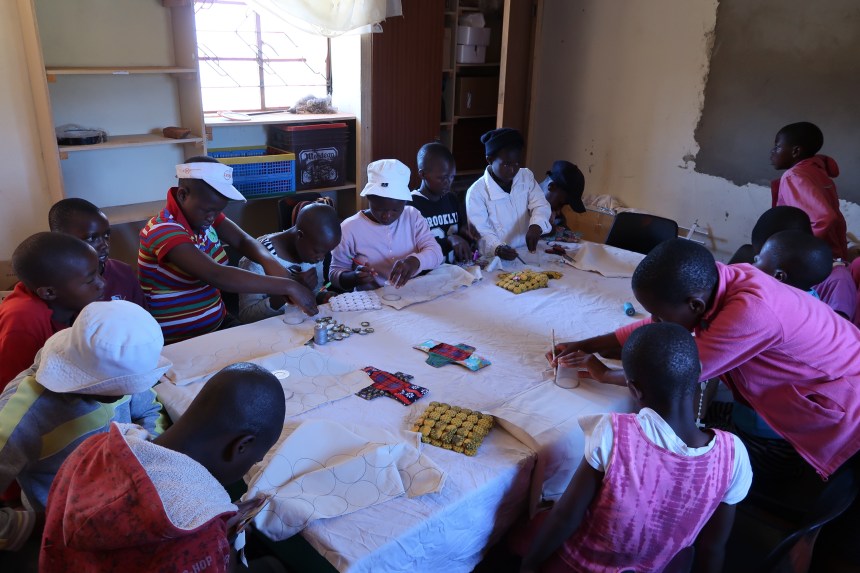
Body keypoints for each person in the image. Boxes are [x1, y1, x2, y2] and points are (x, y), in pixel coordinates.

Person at [550, 239, 860, 528]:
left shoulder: (751, 313)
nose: (654, 319)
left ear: (696, 305)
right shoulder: (722, 281)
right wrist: (586, 344)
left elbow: (674, 371)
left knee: (840, 499)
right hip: (832, 387)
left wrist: (603, 374)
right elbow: (655, 328)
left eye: (659, 313)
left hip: (846, 408)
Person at [520, 323, 750, 573]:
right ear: (699, 373)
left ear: (633, 389)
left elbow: (566, 516)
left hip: (581, 565)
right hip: (656, 566)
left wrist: (529, 566)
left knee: (528, 523)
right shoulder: (734, 453)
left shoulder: (615, 432)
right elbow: (713, 547)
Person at [40, 362, 286, 573]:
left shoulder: (91, 450)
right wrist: (224, 546)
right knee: (273, 566)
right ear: (241, 446)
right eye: (255, 460)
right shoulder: (197, 537)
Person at [0, 301, 170, 552]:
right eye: (119, 389)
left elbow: (149, 409)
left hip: (128, 501)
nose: (129, 392)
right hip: (64, 531)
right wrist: (40, 525)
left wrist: (148, 449)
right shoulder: (19, 416)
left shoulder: (119, 359)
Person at [138, 156, 317, 343]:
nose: (213, 217)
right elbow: (217, 275)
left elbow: (242, 240)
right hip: (177, 340)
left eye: (218, 210)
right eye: (209, 211)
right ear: (183, 195)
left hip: (217, 323)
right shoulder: (162, 230)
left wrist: (270, 262)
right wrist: (288, 285)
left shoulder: (204, 213)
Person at [0, 233, 104, 389]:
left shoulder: (70, 301)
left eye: (99, 272)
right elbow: (12, 392)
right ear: (48, 292)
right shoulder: (23, 322)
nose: (102, 283)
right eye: (90, 280)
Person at [330, 159, 443, 291]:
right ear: (369, 198)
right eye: (379, 209)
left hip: (412, 295)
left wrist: (415, 261)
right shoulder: (349, 229)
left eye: (395, 210)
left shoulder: (412, 216)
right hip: (372, 302)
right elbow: (334, 275)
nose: (387, 216)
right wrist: (353, 277)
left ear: (405, 202)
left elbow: (436, 253)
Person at [736, 206, 856, 319]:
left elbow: (837, 328)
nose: (753, 261)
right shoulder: (781, 276)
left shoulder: (839, 281)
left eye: (759, 258)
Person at [237, 202, 341, 323]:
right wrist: (288, 290)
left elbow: (315, 292)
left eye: (326, 252)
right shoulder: (257, 260)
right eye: (318, 252)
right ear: (300, 235)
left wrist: (322, 296)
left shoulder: (313, 251)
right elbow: (247, 316)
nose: (321, 258)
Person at [465, 128, 552, 261]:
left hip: (526, 252)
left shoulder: (526, 177)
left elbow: (541, 205)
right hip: (496, 259)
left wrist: (537, 224)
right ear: (489, 159)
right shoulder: (476, 192)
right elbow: (481, 231)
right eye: (506, 164)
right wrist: (497, 248)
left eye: (517, 163)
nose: (512, 170)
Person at [48, 198, 146, 307]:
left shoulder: (124, 273)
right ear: (59, 239)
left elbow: (142, 318)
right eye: (91, 238)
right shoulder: (53, 286)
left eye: (106, 235)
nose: (104, 245)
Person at [769, 121, 847, 260]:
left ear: (796, 151)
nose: (772, 151)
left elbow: (824, 218)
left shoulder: (794, 176)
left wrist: (799, 249)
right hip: (832, 248)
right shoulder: (817, 170)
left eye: (777, 146)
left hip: (813, 256)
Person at [410, 143, 478, 263]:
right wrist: (449, 240)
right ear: (422, 174)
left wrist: (466, 233)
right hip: (427, 275)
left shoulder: (451, 199)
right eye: (441, 178)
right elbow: (412, 247)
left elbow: (460, 230)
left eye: (451, 177)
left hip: (453, 271)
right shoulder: (411, 205)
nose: (448, 182)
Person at [752, 230, 834, 294]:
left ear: (778, 276)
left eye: (758, 260)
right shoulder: (812, 299)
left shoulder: (770, 301)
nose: (754, 259)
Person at [540, 160, 586, 237]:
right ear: (551, 186)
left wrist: (564, 233)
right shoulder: (521, 203)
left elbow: (562, 229)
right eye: (560, 204)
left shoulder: (555, 216)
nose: (558, 212)